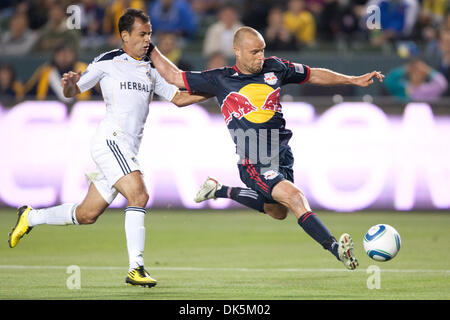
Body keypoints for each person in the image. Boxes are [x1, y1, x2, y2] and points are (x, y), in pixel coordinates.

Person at [148, 26, 385, 270]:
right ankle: (337, 249)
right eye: (254, 52)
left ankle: (220, 190)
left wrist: (351, 79)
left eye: (262, 50)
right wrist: (151, 47)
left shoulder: (275, 67)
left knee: (278, 211)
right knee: (295, 198)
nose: (260, 57)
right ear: (237, 51)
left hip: (281, 151)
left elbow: (312, 74)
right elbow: (175, 76)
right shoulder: (219, 78)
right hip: (254, 157)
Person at [8, 8, 211, 288]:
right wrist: (69, 85)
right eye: (142, 34)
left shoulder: (151, 69)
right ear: (125, 36)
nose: (147, 40)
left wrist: (219, 90)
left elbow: (178, 98)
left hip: (127, 149)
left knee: (86, 214)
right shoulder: (107, 62)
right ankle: (135, 267)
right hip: (110, 141)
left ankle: (31, 216)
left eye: (150, 34)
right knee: (139, 194)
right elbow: (74, 90)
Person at [384, 58, 448, 101]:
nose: (417, 73)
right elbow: (388, 80)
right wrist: (406, 68)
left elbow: (442, 84)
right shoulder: (402, 87)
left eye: (420, 71)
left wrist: (427, 70)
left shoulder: (429, 89)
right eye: (414, 70)